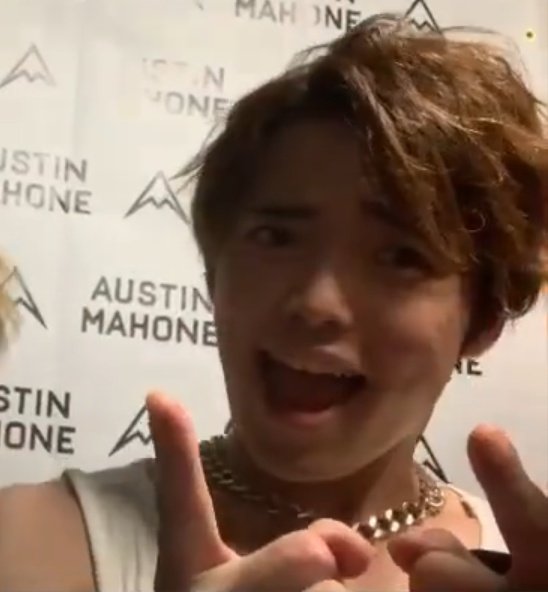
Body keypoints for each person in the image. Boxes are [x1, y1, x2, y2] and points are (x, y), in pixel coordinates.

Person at [0, 13, 547, 592]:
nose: (316, 304)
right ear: (215, 272)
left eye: (401, 257)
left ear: (483, 319)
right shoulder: (33, 540)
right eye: (277, 237)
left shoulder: (524, 564)